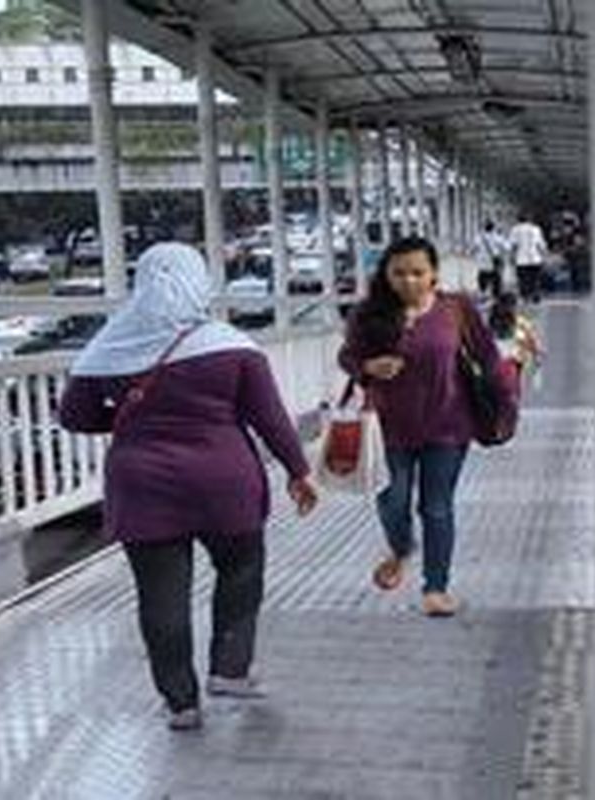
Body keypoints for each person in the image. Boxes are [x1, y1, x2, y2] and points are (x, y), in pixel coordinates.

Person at [59, 243, 318, 732]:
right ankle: (231, 669)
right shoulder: (232, 345)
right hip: (224, 480)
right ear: (199, 281)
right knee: (241, 568)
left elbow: (75, 415)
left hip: (141, 484)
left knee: (161, 595)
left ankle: (181, 703)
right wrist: (299, 471)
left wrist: (132, 419)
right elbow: (270, 419)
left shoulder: (111, 345)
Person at [338, 236, 511, 618]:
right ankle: (401, 548)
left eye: (418, 272)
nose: (409, 281)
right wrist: (368, 367)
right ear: (386, 274)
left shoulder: (456, 310)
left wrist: (505, 400)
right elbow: (347, 356)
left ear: (434, 274)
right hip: (388, 428)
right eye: (399, 273)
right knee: (392, 500)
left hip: (449, 426)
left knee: (436, 507)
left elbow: (487, 356)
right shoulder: (368, 314)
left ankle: (436, 588)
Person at [488, 292, 543, 384]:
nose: (514, 308)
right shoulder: (497, 317)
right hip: (502, 348)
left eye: (514, 305)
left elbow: (530, 338)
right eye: (512, 305)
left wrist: (536, 353)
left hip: (509, 348)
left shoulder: (519, 320)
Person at [508, 212, 548, 304]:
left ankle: (525, 296)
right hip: (535, 258)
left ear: (518, 219)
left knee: (523, 279)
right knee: (535, 278)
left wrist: (511, 257)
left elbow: (513, 245)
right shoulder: (536, 229)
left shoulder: (515, 230)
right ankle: (535, 294)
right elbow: (541, 245)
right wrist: (544, 256)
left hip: (521, 260)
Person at [473, 219, 509, 299]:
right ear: (493, 228)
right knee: (496, 279)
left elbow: (474, 248)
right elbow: (507, 247)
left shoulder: (479, 237)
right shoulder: (497, 237)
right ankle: (495, 295)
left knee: (482, 277)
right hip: (494, 261)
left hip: (482, 262)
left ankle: (482, 292)